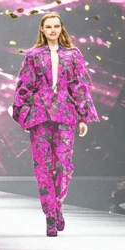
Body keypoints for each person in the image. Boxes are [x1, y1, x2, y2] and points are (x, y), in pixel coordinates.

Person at [12, 13, 99, 236]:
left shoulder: (73, 55)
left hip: (66, 113)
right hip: (39, 115)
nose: (52, 30)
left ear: (61, 28)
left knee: (63, 165)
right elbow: (24, 85)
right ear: (42, 29)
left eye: (56, 26)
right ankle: (50, 215)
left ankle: (57, 205)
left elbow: (80, 86)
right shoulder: (32, 55)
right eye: (48, 26)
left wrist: (83, 116)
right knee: (42, 166)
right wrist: (23, 115)